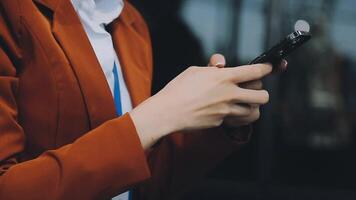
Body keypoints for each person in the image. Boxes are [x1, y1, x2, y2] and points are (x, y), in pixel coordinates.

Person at [0, 0, 287, 199]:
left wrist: (217, 119)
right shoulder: (13, 11)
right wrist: (159, 115)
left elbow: (138, 186)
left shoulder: (131, 24)